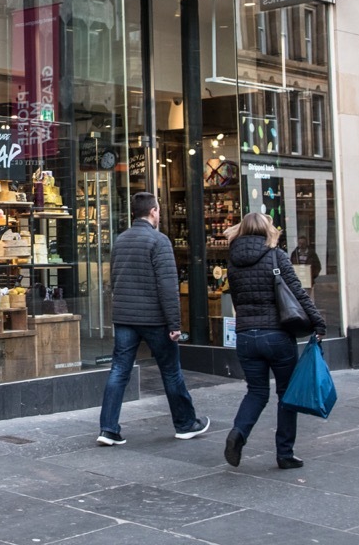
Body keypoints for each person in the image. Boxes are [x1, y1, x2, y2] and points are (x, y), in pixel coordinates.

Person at [97, 192, 209, 446]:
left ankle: (108, 429)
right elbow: (168, 286)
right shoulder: (159, 241)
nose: (159, 214)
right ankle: (185, 423)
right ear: (153, 212)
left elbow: (114, 279)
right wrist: (175, 324)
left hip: (125, 317)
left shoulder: (121, 240)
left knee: (118, 371)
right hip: (154, 318)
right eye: (158, 210)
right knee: (170, 371)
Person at [223, 212, 326, 470]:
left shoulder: (233, 260)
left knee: (256, 392)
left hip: (246, 336)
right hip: (276, 335)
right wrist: (318, 322)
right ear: (266, 230)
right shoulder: (275, 255)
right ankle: (284, 453)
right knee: (286, 394)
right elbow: (298, 292)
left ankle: (238, 433)